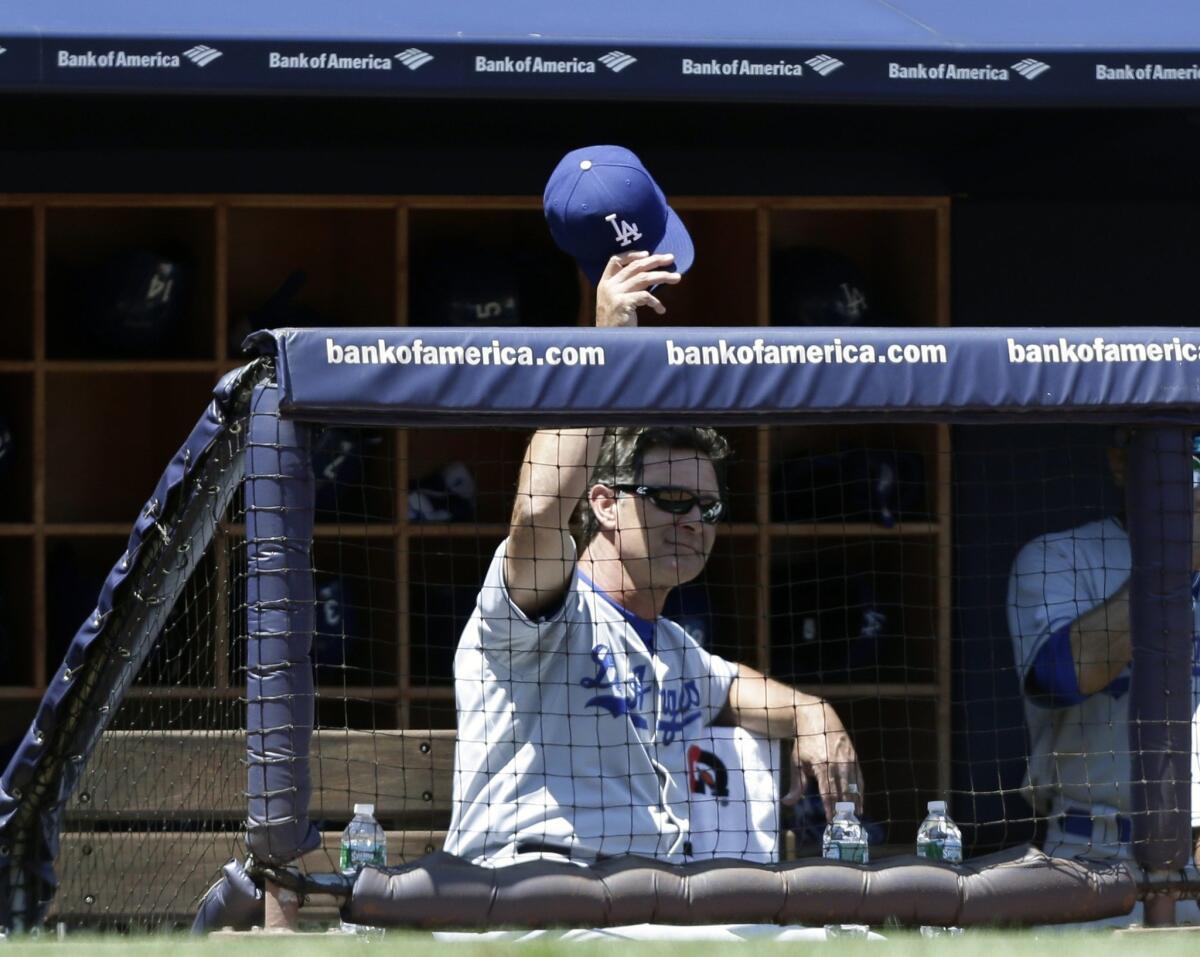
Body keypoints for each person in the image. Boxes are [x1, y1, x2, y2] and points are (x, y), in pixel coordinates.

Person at [443, 249, 863, 867]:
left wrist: (813, 711)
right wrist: (605, 352)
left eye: (708, 508)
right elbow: (536, 513)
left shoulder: (673, 648)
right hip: (528, 889)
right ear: (606, 504)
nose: (693, 520)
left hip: (644, 904)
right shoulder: (545, 610)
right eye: (671, 500)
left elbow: (728, 686)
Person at [1007, 428, 1200, 924]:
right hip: (1092, 860)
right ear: (1121, 460)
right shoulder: (1059, 557)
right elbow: (1061, 676)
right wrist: (1176, 560)